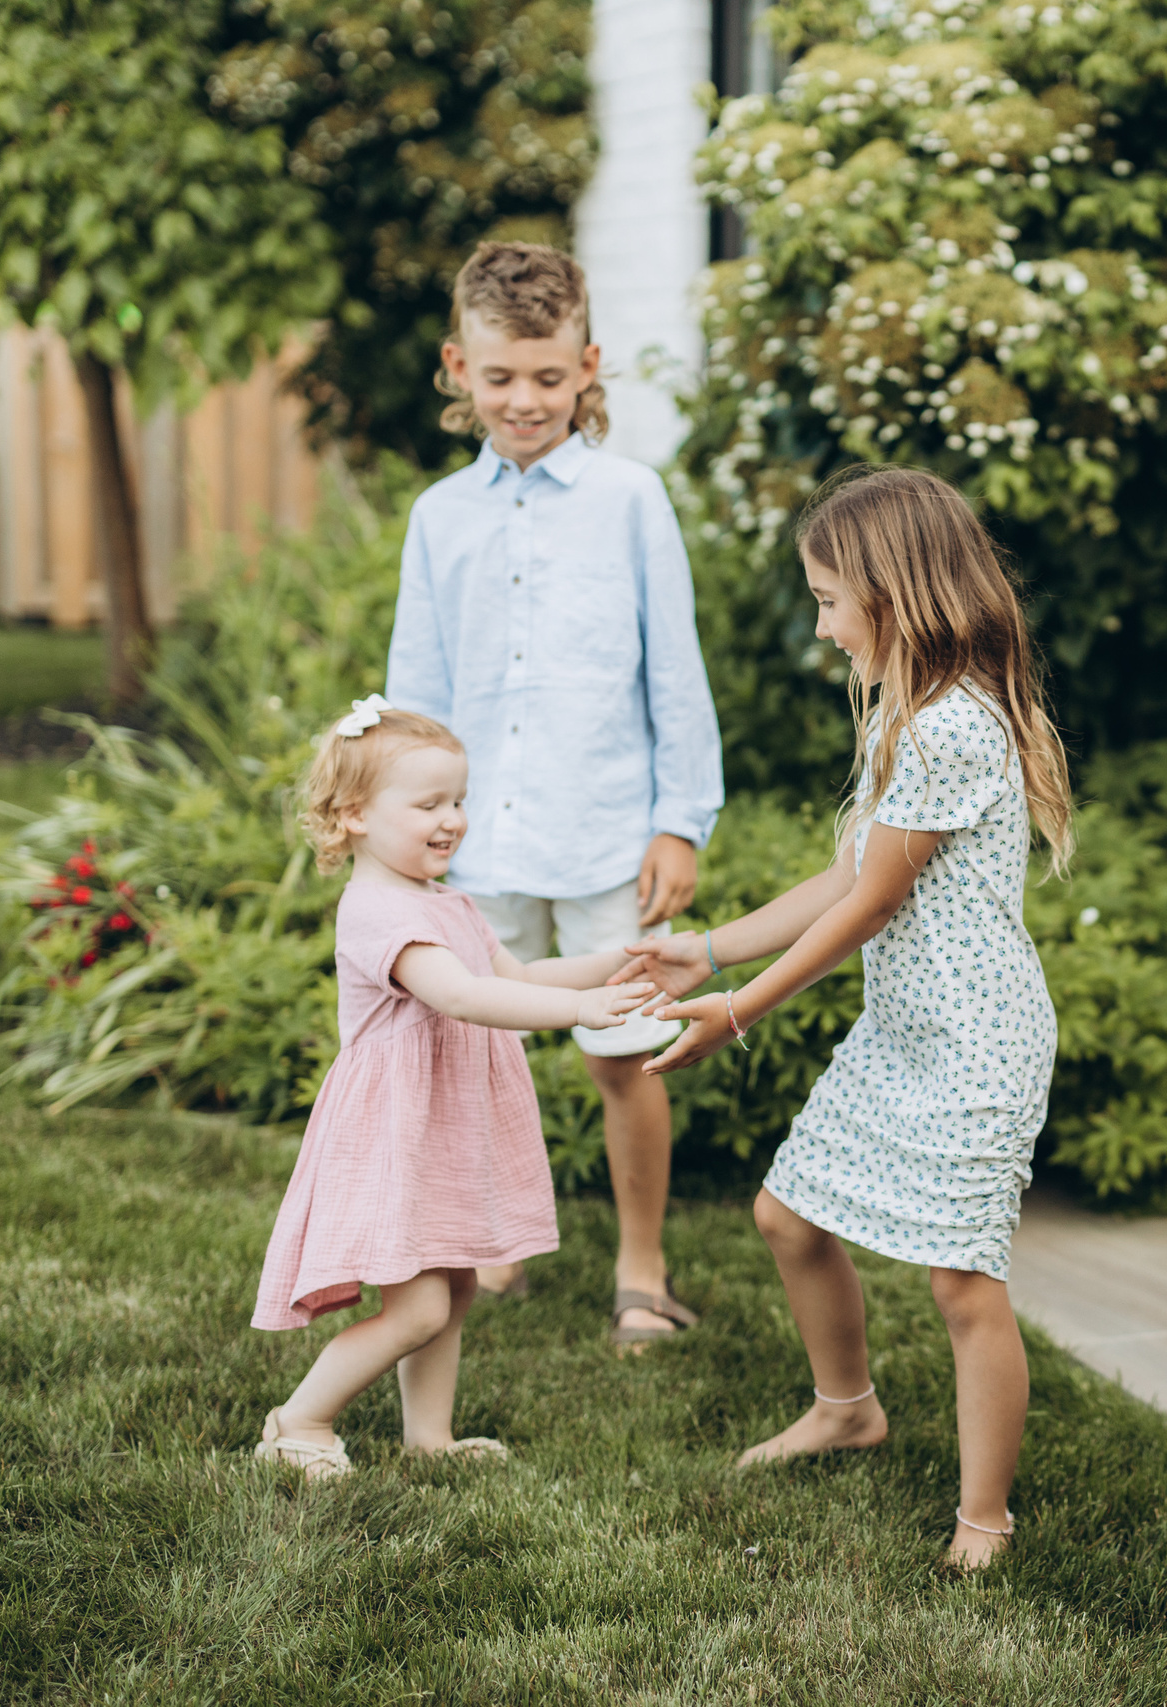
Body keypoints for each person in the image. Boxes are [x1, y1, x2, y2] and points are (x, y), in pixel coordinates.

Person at [614, 465, 1074, 1570]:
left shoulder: (952, 730)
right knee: (786, 1218)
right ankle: (846, 1407)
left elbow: (875, 902)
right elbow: (844, 877)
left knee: (963, 1282)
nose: (822, 628)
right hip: (906, 1034)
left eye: (829, 600)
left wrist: (739, 1008)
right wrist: (709, 948)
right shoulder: (903, 722)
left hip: (977, 1045)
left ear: (895, 592)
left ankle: (984, 1519)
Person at [385, 240, 722, 1350]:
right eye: (498, 377)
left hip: (604, 835)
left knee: (620, 1051)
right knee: (479, 1046)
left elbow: (673, 669)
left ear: (586, 365)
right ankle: (497, 1241)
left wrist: (681, 819)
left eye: (544, 375)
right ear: (457, 368)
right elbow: (418, 691)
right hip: (473, 848)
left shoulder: (631, 501)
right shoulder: (440, 517)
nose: (522, 400)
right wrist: (402, 830)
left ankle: (640, 1264)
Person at [251, 699, 650, 1479]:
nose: (453, 818)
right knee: (421, 1306)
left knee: (456, 1287)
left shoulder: (446, 902)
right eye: (429, 803)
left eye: (459, 799)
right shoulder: (374, 911)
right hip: (397, 1133)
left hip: (444, 1128)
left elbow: (523, 977)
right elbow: (461, 995)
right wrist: (580, 1012)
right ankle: (299, 1419)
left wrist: (618, 962)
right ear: (355, 814)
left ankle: (427, 1436)